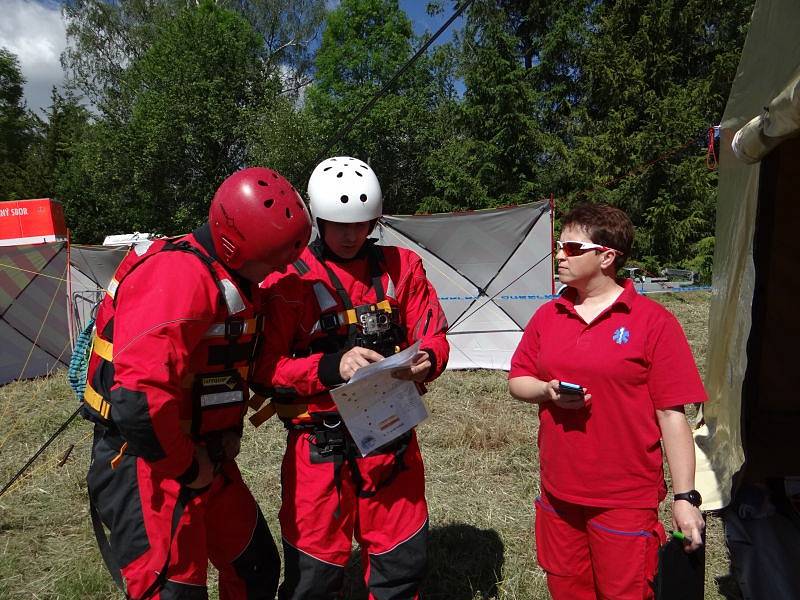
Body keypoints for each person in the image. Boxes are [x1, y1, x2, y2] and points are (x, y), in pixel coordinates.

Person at [82, 167, 312, 599]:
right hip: (149, 463)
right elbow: (138, 401)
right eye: (274, 259)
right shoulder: (177, 277)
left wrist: (225, 434)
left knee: (256, 567)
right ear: (236, 247)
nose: (279, 270)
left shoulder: (236, 278)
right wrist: (189, 468)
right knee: (174, 591)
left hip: (204, 454)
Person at [257, 156, 449, 599]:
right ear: (317, 220)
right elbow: (264, 369)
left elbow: (433, 333)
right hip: (319, 446)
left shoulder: (403, 268)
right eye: (338, 224)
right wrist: (331, 366)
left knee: (401, 562)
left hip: (391, 439)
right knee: (315, 575)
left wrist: (429, 359)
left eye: (362, 224)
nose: (350, 235)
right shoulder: (289, 281)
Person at [507, 203, 706, 600]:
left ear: (607, 256)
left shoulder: (653, 322)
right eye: (559, 246)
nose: (559, 255)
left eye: (572, 248)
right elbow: (518, 380)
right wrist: (546, 391)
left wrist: (686, 498)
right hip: (558, 493)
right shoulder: (549, 315)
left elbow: (672, 415)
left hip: (624, 499)